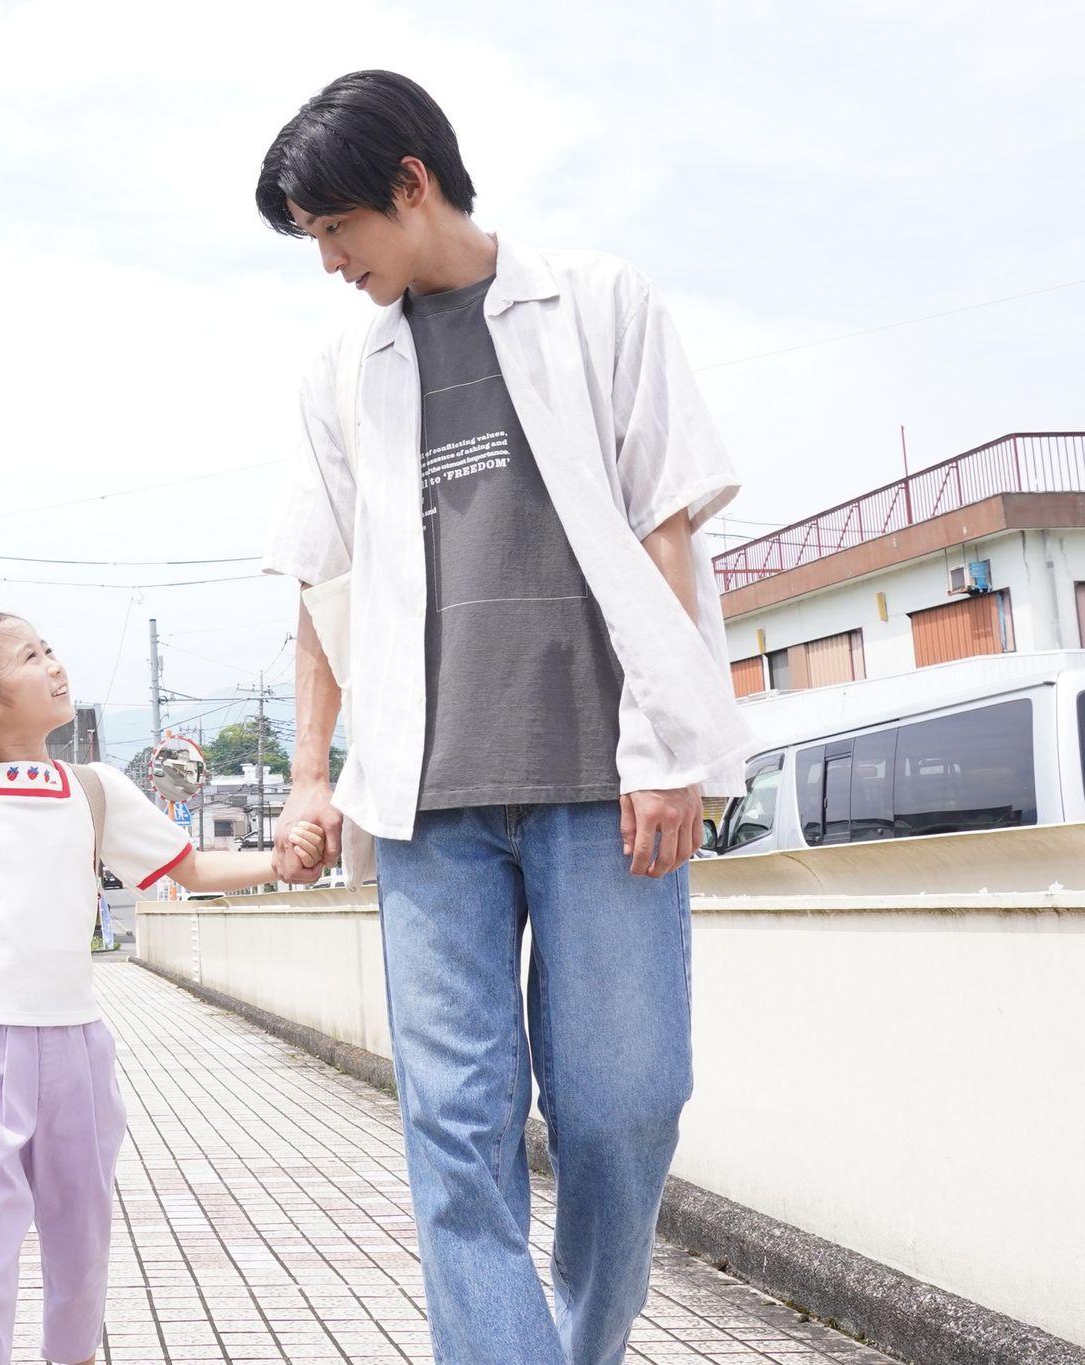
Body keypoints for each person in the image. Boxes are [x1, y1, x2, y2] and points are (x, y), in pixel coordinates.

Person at [253, 71, 757, 1365]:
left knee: (624, 1108)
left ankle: (583, 1343)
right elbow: (322, 586)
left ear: (411, 181)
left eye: (333, 231)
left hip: (610, 784)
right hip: (427, 808)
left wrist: (671, 744)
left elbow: (667, 529)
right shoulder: (341, 373)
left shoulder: (596, 305)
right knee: (457, 1132)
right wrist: (310, 777)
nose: (329, 264)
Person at [0, 612, 324, 1365]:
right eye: (30, 656)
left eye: (48, 649)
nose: (54, 664)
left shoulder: (94, 789)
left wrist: (280, 861)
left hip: (77, 1044)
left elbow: (193, 869)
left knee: (82, 1231)